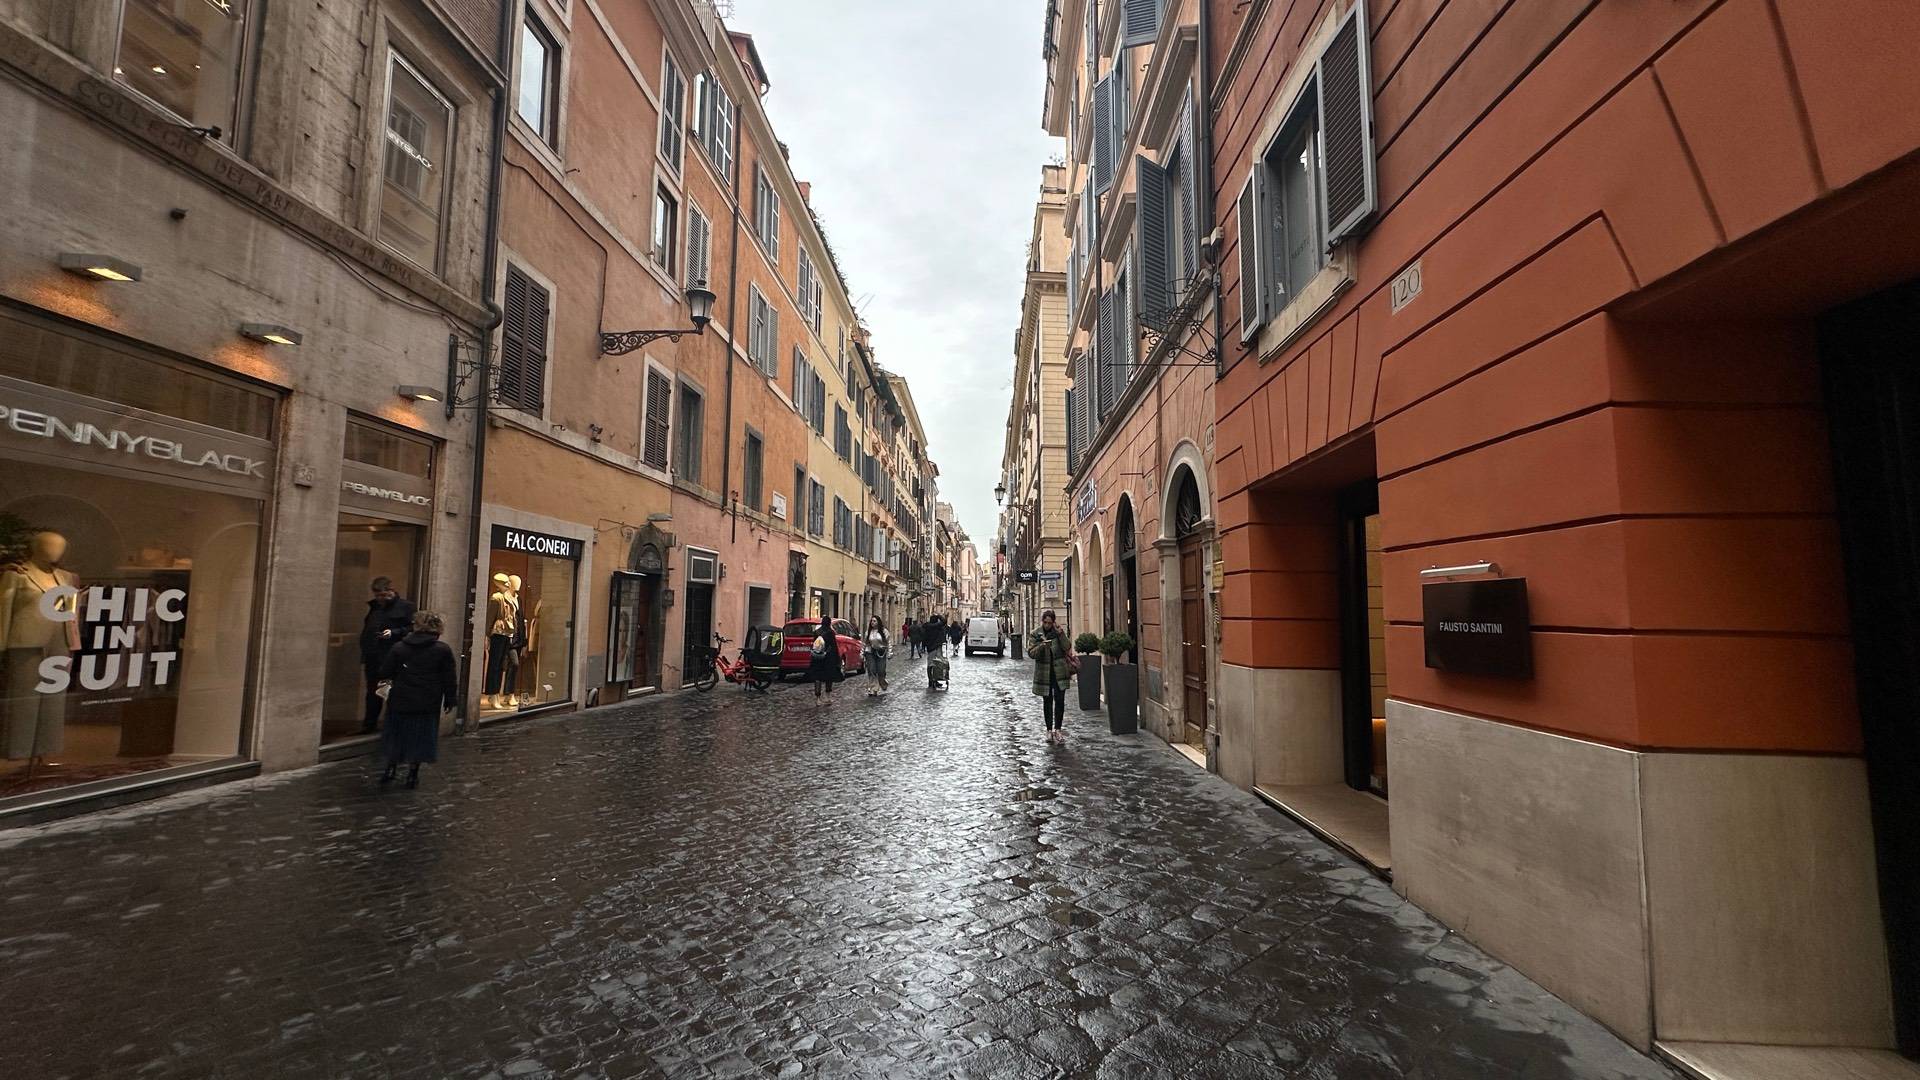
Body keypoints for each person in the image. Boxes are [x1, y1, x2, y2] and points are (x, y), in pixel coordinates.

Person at [378, 610, 457, 788]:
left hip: (401, 699)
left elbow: (385, 672)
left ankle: (390, 768)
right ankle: (412, 774)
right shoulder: (442, 650)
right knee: (420, 737)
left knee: (397, 735)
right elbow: (449, 678)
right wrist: (450, 699)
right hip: (428, 701)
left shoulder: (399, 647)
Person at [359, 577, 415, 734]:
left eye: (384, 595)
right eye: (378, 596)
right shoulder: (375, 607)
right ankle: (369, 724)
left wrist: (394, 632)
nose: (381, 599)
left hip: (393, 657)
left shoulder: (406, 607)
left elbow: (413, 628)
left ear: (392, 591)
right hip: (373, 657)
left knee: (392, 691)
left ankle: (393, 725)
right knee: (372, 691)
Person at [1028, 609, 1074, 743]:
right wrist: (1042, 646)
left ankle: (1058, 730)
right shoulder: (1036, 634)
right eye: (1045, 622)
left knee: (1060, 701)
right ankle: (1049, 730)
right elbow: (1031, 653)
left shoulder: (1058, 632)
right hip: (1044, 673)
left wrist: (1061, 634)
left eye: (1050, 622)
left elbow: (1067, 647)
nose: (1047, 625)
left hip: (1059, 673)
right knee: (1047, 702)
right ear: (1042, 621)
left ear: (1053, 622)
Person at [810, 615, 841, 701]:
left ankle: (817, 698)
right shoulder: (830, 632)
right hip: (828, 658)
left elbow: (814, 645)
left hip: (817, 658)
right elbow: (833, 646)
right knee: (828, 677)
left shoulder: (816, 632)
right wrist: (837, 659)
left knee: (817, 678)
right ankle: (828, 697)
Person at [863, 616, 890, 695]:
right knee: (872, 670)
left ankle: (883, 683)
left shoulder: (884, 631)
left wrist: (889, 652)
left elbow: (888, 642)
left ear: (878, 622)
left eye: (874, 621)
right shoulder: (868, 632)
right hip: (870, 652)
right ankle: (873, 688)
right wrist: (862, 653)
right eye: (871, 621)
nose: (872, 622)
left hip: (881, 652)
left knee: (881, 671)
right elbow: (864, 643)